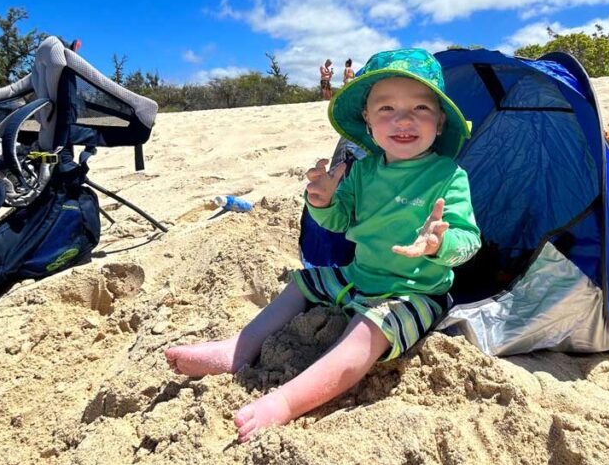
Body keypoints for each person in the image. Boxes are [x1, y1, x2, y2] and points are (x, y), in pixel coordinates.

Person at [165, 48, 481, 443]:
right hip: (357, 276)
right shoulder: (362, 171)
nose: (403, 119)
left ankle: (287, 402)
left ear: (440, 122)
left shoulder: (447, 175)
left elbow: (469, 241)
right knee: (301, 283)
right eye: (386, 109)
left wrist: (440, 242)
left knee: (367, 330)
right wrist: (323, 201)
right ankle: (239, 348)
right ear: (367, 122)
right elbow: (339, 222)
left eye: (420, 107)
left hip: (415, 292)